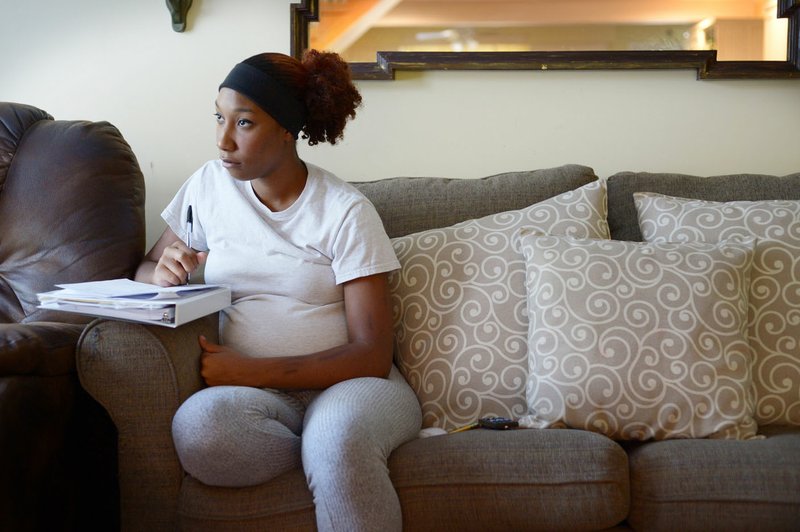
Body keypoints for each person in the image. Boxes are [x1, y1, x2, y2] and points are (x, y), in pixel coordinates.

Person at [135, 50, 422, 531]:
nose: (223, 141)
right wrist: (161, 274)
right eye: (219, 119)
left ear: (287, 128)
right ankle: (319, 451)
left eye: (243, 123)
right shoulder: (207, 188)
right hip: (264, 402)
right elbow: (145, 268)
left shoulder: (345, 211)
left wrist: (250, 370)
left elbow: (372, 354)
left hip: (353, 387)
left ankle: (329, 446)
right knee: (200, 429)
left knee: (338, 437)